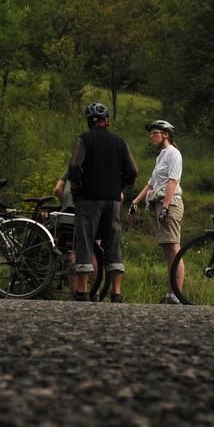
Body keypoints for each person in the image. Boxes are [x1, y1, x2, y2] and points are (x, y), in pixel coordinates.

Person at [64, 102, 138, 302]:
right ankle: (116, 293)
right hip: (112, 201)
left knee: (85, 242)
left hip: (88, 199)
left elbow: (74, 167)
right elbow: (133, 171)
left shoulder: (84, 139)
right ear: (107, 121)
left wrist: (76, 188)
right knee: (113, 242)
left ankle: (82, 291)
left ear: (89, 122)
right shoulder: (119, 141)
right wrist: (120, 189)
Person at [129, 120, 184, 304]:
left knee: (174, 248)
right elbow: (152, 184)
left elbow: (172, 182)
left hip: (170, 204)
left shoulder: (174, 154)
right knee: (168, 250)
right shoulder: (161, 156)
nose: (151, 136)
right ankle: (171, 294)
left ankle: (177, 295)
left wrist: (166, 207)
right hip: (160, 204)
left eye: (155, 133)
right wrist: (135, 201)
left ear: (165, 134)